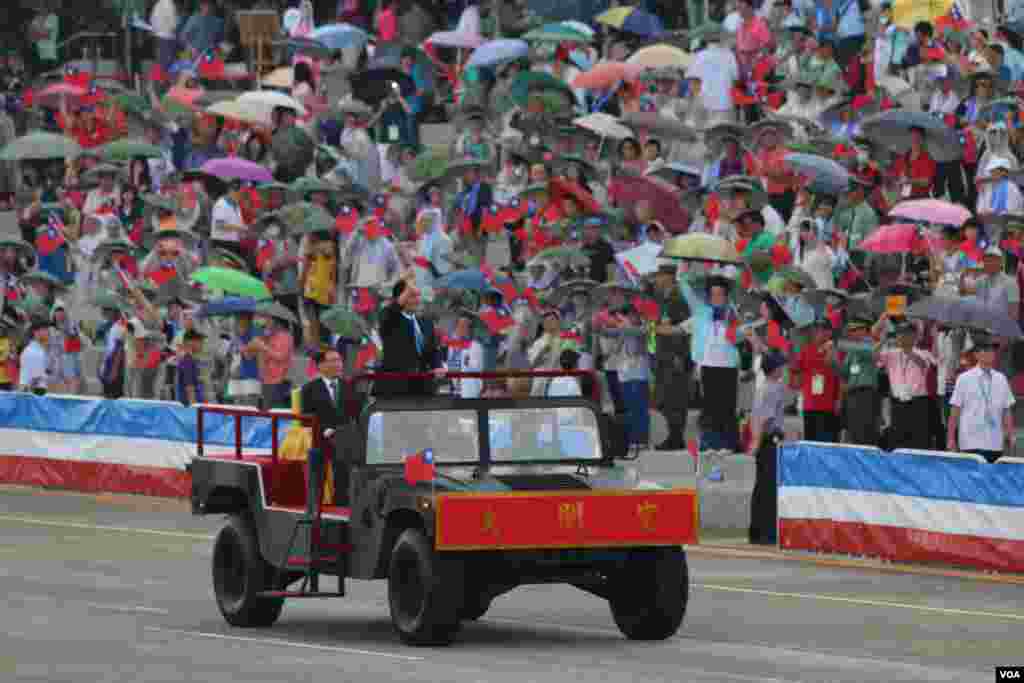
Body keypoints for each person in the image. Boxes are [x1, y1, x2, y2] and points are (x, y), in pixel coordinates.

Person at [948, 335, 1016, 463]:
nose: (991, 353)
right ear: (976, 354)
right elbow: (955, 410)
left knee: (991, 479)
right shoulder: (964, 378)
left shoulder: (1001, 378)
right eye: (986, 350)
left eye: (992, 350)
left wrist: (1010, 433)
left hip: (995, 441)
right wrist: (951, 438)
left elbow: (1006, 410)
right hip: (970, 441)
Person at [875, 319, 936, 450]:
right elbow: (873, 355)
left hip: (918, 403)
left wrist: (906, 348)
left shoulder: (923, 353)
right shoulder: (891, 354)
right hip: (898, 404)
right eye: (900, 334)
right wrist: (884, 340)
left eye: (907, 334)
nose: (902, 337)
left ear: (914, 336)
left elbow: (922, 363)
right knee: (897, 441)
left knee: (918, 441)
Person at [748, 350, 788, 545]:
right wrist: (757, 441)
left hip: (762, 438)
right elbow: (767, 419)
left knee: (761, 485)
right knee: (769, 487)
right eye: (780, 366)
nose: (783, 369)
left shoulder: (762, 387)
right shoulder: (774, 388)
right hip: (769, 439)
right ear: (774, 369)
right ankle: (767, 532)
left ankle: (757, 531)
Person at [377, 278, 442, 397]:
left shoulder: (426, 323)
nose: (417, 300)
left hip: (421, 388)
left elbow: (432, 351)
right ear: (400, 298)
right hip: (395, 389)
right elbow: (391, 311)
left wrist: (438, 366)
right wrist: (407, 282)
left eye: (418, 296)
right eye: (412, 296)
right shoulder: (389, 318)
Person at [19, 320, 50, 394]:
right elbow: (35, 380)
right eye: (45, 330)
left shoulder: (38, 350)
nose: (48, 332)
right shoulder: (34, 352)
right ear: (36, 333)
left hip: (34, 394)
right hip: (35, 395)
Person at [176, 329, 205, 406]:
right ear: (190, 342)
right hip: (191, 407)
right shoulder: (187, 361)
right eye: (199, 342)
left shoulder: (191, 360)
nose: (202, 344)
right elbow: (189, 388)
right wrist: (194, 410)